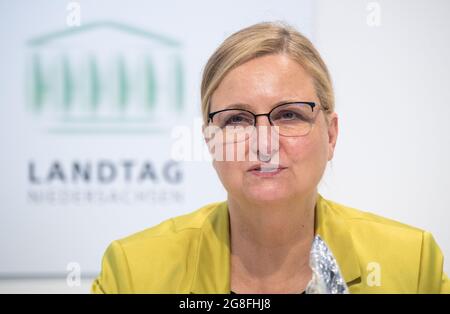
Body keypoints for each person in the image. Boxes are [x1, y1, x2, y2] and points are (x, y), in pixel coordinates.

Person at [91, 21, 449, 294]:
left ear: (331, 134)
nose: (264, 143)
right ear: (211, 142)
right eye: (236, 119)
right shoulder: (134, 273)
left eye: (289, 115)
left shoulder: (412, 266)